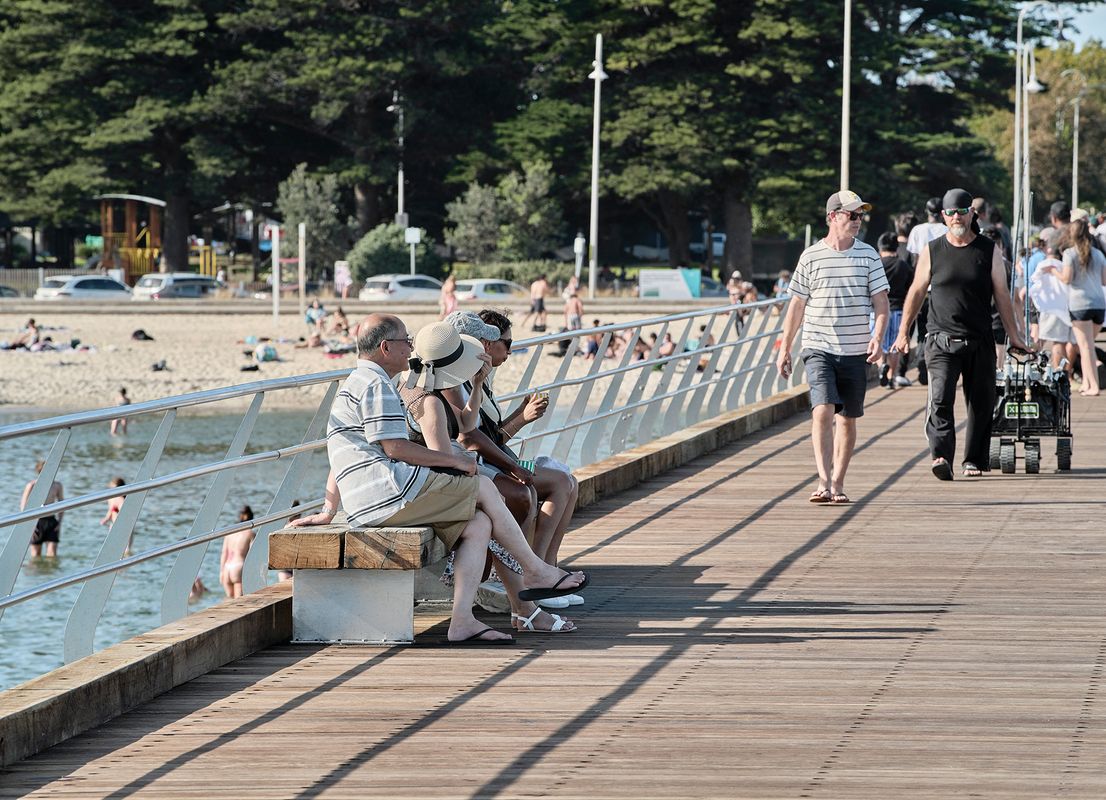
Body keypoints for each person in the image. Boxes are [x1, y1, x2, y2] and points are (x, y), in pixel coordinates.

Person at [294, 313, 586, 643]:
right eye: (405, 340)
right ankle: (534, 572)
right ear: (386, 347)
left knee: (478, 524)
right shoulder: (378, 386)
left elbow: (344, 451)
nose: (410, 346)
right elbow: (394, 448)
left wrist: (330, 509)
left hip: (377, 496)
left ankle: (462, 620)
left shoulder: (364, 382)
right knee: (485, 487)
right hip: (391, 494)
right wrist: (457, 462)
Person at [405, 320, 574, 632]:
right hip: (424, 489)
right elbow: (445, 459)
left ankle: (530, 588)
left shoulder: (439, 387)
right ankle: (531, 586)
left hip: (433, 482)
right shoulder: (426, 399)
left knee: (502, 501)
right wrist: (476, 466)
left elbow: (467, 427)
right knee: (497, 500)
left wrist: (479, 384)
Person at [444, 309, 583, 611]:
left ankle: (546, 567)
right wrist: (514, 461)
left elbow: (489, 437)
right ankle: (536, 574)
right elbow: (468, 438)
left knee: (568, 481)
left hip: (492, 463)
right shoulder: (454, 379)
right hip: (477, 468)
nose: (505, 349)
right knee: (549, 484)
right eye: (502, 343)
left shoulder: (476, 379)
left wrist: (520, 418)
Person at [894, 188, 1029, 480]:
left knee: (981, 402)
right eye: (951, 212)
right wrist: (903, 331)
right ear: (943, 216)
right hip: (940, 339)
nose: (956, 216)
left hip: (979, 339)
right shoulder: (932, 250)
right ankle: (941, 455)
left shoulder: (988, 250)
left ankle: (974, 460)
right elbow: (917, 291)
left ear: (972, 214)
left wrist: (1014, 336)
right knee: (940, 397)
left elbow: (1002, 295)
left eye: (962, 211)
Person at [777, 191, 889, 505]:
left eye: (860, 216)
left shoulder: (868, 255)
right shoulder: (810, 256)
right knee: (823, 409)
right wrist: (784, 348)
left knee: (847, 418)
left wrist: (877, 337)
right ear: (832, 216)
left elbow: (881, 303)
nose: (858, 221)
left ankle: (838, 481)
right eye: (851, 215)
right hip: (818, 345)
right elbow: (796, 305)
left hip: (855, 349)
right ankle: (823, 481)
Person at [1039, 217, 1106, 396]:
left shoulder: (1070, 254)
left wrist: (1052, 271)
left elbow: (1067, 278)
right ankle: (1086, 382)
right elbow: (1104, 280)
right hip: (1099, 305)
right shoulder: (1098, 254)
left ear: (1072, 235)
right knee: (1086, 346)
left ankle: (1093, 386)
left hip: (1080, 304)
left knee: (1085, 347)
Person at [874, 232, 914, 388]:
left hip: (876, 311)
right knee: (894, 346)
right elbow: (910, 288)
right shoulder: (903, 265)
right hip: (898, 309)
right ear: (896, 248)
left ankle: (881, 366)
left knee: (878, 342)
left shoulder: (876, 264)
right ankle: (891, 376)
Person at [21, 460, 63, 557]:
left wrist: (59, 523)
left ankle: (51, 572)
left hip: (51, 520)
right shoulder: (31, 486)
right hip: (36, 521)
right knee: (36, 555)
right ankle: (37, 572)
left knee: (52, 554)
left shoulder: (57, 485)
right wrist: (29, 525)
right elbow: (23, 507)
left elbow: (62, 505)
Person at [220, 505, 257, 598]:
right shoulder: (250, 533)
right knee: (239, 601)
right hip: (238, 567)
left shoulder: (230, 532)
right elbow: (252, 556)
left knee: (229, 601)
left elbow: (224, 553)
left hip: (227, 568)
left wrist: (221, 572)